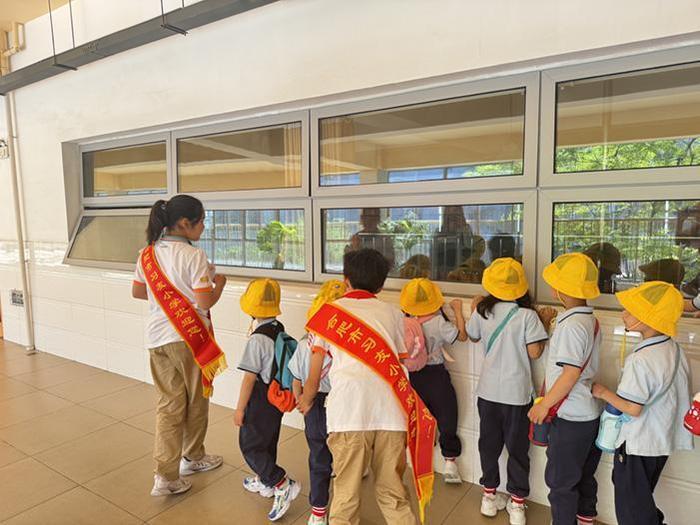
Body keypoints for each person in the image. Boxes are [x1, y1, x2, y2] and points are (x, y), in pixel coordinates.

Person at [300, 248, 431, 525]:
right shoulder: (394, 314)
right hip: (391, 414)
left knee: (346, 494)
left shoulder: (329, 313)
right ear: (382, 284)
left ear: (346, 279)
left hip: (348, 413)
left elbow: (315, 368)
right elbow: (400, 361)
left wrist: (307, 398)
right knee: (392, 492)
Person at [132, 195, 226, 497]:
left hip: (156, 340)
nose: (203, 226)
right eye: (202, 221)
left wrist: (168, 299)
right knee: (197, 401)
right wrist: (220, 284)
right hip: (189, 340)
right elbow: (204, 301)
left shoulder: (146, 254)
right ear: (185, 224)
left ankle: (165, 475)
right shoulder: (193, 256)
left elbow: (138, 292)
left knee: (168, 406)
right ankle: (194, 456)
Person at [592, 281, 693, 525]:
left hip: (637, 444)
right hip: (660, 442)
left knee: (631, 510)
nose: (624, 314)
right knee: (641, 497)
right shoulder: (675, 351)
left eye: (632, 311)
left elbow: (632, 408)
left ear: (649, 320)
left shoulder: (642, 359)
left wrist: (602, 391)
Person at [467, 258, 553, 525]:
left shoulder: (483, 312)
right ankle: (517, 504)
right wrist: (546, 322)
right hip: (517, 396)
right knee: (517, 449)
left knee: (488, 446)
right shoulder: (527, 316)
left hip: (488, 393)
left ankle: (489, 497)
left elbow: (471, 336)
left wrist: (473, 306)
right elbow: (535, 353)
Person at [528, 252, 603, 525]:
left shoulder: (572, 325)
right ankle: (585, 519)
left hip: (570, 416)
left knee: (560, 483)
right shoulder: (588, 319)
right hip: (587, 413)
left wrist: (544, 405)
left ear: (558, 289)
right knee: (582, 475)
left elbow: (570, 373)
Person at [235, 278, 301, 522]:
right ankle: (265, 480)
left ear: (251, 308)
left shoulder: (257, 340)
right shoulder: (278, 328)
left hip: (260, 400)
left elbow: (248, 380)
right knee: (268, 440)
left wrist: (240, 409)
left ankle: (281, 483)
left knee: (250, 445)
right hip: (276, 399)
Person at [289, 279, 347, 525]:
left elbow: (295, 377)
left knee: (318, 455)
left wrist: (300, 399)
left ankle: (318, 511)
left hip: (313, 406)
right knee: (347, 455)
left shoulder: (305, 343)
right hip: (343, 405)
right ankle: (342, 509)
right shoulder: (348, 347)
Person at [399, 278, 467, 484]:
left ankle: (420, 460)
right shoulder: (438, 322)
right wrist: (457, 311)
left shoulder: (403, 322)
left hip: (412, 377)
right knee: (447, 414)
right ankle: (450, 461)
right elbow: (461, 337)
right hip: (436, 374)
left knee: (418, 417)